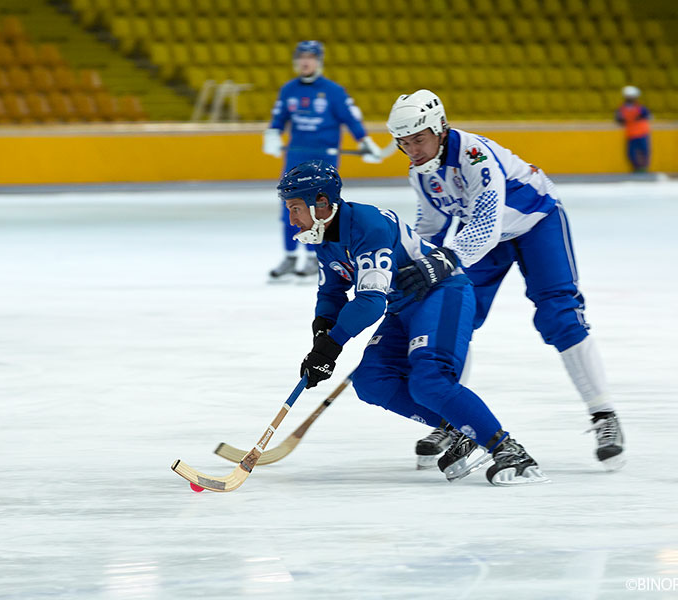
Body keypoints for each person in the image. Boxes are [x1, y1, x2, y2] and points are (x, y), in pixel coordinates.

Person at [386, 90, 625, 471]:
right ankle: (452, 419)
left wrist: (443, 262)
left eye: (419, 139)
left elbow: (485, 222)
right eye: (404, 143)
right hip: (487, 240)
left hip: (536, 221)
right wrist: (412, 265)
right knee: (450, 317)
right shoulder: (421, 172)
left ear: (440, 129)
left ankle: (604, 415)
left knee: (559, 315)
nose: (413, 150)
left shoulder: (474, 155)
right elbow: (431, 226)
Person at [279, 159, 548, 486]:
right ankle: (460, 428)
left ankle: (508, 450)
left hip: (442, 293)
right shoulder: (324, 239)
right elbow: (332, 292)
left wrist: (332, 346)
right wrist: (321, 337)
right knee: (371, 380)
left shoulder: (368, 225)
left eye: (295, 208)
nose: (291, 219)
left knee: (429, 378)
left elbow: (369, 302)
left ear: (321, 203)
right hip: (404, 304)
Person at [263, 40, 382, 281]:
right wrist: (273, 134)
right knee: (289, 205)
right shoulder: (288, 90)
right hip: (296, 157)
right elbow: (279, 118)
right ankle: (290, 255)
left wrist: (364, 141)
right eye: (301, 57)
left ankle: (312, 256)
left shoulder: (333, 91)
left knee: (318, 209)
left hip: (323, 161)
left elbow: (350, 119)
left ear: (319, 61)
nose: (305, 61)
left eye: (311, 57)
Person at [615, 85, 651, 173]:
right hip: (631, 134)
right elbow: (619, 120)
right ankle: (636, 168)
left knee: (644, 151)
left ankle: (643, 168)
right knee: (631, 153)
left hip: (642, 133)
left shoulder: (640, 108)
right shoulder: (622, 109)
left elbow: (648, 116)